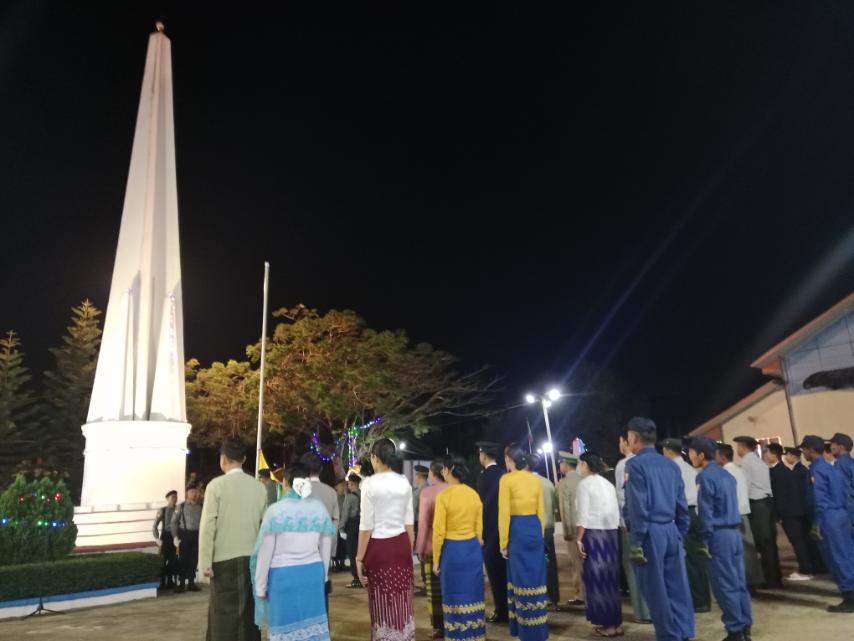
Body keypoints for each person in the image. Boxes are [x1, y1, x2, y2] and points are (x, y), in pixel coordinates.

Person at [624, 417, 694, 641]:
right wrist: (680, 532)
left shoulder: (635, 465)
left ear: (634, 437)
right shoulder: (671, 465)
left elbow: (638, 506)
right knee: (677, 587)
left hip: (649, 534)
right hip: (671, 530)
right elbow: (682, 504)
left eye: (628, 437)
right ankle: (683, 632)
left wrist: (636, 542)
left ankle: (669, 636)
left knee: (656, 591)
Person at [251, 463, 337, 641]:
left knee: (285, 631)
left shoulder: (275, 511)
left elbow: (265, 552)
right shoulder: (318, 508)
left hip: (283, 577)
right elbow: (326, 543)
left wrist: (260, 585)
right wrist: (324, 575)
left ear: (285, 482)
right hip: (312, 575)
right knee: (313, 631)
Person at [199, 437, 268, 641]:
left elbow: (207, 527)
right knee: (248, 616)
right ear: (244, 459)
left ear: (223, 459)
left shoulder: (215, 486)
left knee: (222, 616)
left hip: (223, 561)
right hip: (251, 560)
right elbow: (265, 529)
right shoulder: (259, 487)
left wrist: (205, 562)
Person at [689, 438, 753, 641]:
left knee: (724, 585)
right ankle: (745, 626)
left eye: (691, 452)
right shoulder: (727, 474)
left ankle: (735, 630)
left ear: (701, 455)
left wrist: (704, 539)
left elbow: (706, 511)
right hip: (734, 533)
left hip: (718, 535)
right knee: (739, 582)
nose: (690, 456)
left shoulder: (705, 477)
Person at [356, 439, 416, 641]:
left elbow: (366, 527)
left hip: (378, 549)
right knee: (402, 599)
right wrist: (408, 551)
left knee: (381, 602)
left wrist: (359, 558)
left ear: (374, 457)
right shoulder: (404, 482)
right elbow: (409, 524)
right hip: (401, 546)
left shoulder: (369, 484)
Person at [433, 458, 485, 641]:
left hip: (452, 551)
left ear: (449, 471)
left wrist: (436, 559)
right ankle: (475, 635)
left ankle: (457, 636)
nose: (442, 473)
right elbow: (479, 529)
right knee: (473, 595)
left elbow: (439, 532)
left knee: (454, 596)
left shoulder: (444, 496)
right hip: (472, 550)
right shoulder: (473, 494)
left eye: (443, 469)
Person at [799, 435, 854, 612]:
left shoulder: (817, 470)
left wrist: (816, 523)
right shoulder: (831, 468)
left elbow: (819, 499)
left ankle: (850, 598)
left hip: (828, 517)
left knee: (836, 557)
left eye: (804, 450)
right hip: (841, 514)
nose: (803, 453)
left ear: (810, 450)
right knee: (847, 554)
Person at [500, 445, 548, 641]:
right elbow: (541, 511)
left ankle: (524, 631)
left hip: (517, 530)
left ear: (509, 460)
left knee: (519, 578)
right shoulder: (534, 480)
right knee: (535, 578)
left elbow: (504, 513)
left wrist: (503, 542)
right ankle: (539, 630)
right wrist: (539, 535)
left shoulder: (506, 480)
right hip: (534, 529)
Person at [660, 437, 710, 612]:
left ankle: (695, 601)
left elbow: (670, 496)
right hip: (696, 513)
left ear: (667, 451)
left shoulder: (670, 469)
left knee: (686, 560)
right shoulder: (690, 468)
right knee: (698, 558)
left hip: (682, 514)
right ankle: (703, 599)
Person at [576, 451, 622, 637]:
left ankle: (607, 625)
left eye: (580, 463)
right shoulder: (608, 484)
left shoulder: (584, 485)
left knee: (597, 580)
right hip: (611, 533)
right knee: (611, 579)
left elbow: (583, 514)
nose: (579, 466)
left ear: (585, 464)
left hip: (594, 534)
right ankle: (616, 623)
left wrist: (579, 538)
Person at [733, 435, 781, 589]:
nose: (737, 449)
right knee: (770, 542)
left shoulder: (746, 463)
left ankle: (770, 579)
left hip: (757, 504)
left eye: (738, 446)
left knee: (763, 543)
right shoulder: (759, 461)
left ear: (742, 447)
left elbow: (745, 487)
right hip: (767, 502)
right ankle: (775, 577)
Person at [716, 444, 764, 590]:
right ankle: (752, 582)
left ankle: (746, 582)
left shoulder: (726, 473)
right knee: (748, 551)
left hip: (734, 515)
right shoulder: (738, 470)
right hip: (743, 513)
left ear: (722, 457)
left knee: (741, 552)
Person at [615, 432, 650, 623]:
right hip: (652, 524)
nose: (619, 444)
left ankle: (642, 613)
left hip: (631, 524)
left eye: (620, 441)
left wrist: (625, 522)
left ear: (627, 441)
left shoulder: (625, 464)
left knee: (633, 567)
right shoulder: (650, 462)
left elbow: (623, 498)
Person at [299, 452, 340, 608]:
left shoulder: (298, 492)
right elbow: (335, 522)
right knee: (321, 592)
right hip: (323, 550)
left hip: (301, 551)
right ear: (321, 469)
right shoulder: (331, 492)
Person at [766, 443, 812, 580]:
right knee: (800, 541)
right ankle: (806, 567)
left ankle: (805, 570)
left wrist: (778, 515)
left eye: (767, 453)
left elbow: (779, 496)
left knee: (797, 541)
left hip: (788, 512)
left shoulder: (777, 472)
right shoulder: (784, 470)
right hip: (795, 510)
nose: (765, 456)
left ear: (774, 455)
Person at [476, 441, 509, 623]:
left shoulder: (484, 477)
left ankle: (501, 610)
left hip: (489, 530)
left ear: (484, 454)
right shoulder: (503, 474)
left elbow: (481, 506)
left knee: (494, 573)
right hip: (504, 529)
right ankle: (508, 607)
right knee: (505, 572)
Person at [416, 461, 449, 639]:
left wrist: (420, 548)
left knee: (434, 590)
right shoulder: (452, 489)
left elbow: (423, 524)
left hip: (431, 546)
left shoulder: (427, 493)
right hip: (452, 545)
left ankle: (438, 626)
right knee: (450, 586)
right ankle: (453, 620)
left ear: (432, 473)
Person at [784, 446, 826, 574]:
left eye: (787, 455)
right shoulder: (801, 470)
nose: (786, 457)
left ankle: (816, 566)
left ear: (793, 456)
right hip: (807, 510)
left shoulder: (800, 471)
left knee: (810, 540)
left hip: (807, 510)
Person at [529, 453, 560, 607]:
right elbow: (555, 506)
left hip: (534, 529)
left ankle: (539, 595)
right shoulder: (548, 483)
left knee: (536, 564)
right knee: (550, 563)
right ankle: (553, 597)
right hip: (549, 528)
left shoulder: (528, 483)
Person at [557, 450, 585, 608]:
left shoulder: (564, 483)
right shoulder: (584, 479)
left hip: (573, 528)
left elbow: (565, 509)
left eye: (560, 463)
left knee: (576, 562)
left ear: (565, 464)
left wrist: (567, 531)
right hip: (587, 526)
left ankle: (580, 594)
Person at [172, 482, 203, 593]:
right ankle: (181, 584)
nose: (194, 494)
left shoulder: (200, 506)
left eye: (196, 492)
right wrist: (175, 536)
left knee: (194, 560)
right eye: (192, 492)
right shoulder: (181, 506)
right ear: (187, 493)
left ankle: (191, 583)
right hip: (184, 535)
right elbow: (174, 522)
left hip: (196, 535)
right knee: (182, 560)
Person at [153, 489, 179, 590]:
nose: (175, 499)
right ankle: (162, 582)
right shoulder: (162, 510)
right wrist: (157, 538)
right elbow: (155, 526)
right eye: (173, 497)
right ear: (167, 499)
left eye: (176, 497)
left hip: (176, 538)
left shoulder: (179, 509)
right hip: (166, 537)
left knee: (174, 560)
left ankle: (170, 581)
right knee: (163, 561)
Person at [341, 473, 363, 588]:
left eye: (349, 484)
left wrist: (341, 528)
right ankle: (363, 575)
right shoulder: (363, 494)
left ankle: (356, 577)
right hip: (363, 525)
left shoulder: (349, 497)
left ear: (353, 484)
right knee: (362, 551)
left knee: (352, 551)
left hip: (352, 526)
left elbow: (345, 513)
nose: (348, 486)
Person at [829, 433, 854, 530]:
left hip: (848, 511)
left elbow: (840, 490)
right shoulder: (851, 462)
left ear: (841, 447)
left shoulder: (840, 464)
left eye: (833, 444)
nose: (831, 447)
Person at [333, 479, 348, 572]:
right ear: (336, 487)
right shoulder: (334, 497)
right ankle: (336, 564)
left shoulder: (346, 497)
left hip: (344, 525)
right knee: (336, 545)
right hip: (335, 525)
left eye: (344, 485)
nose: (344, 487)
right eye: (342, 485)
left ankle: (342, 563)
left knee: (343, 545)